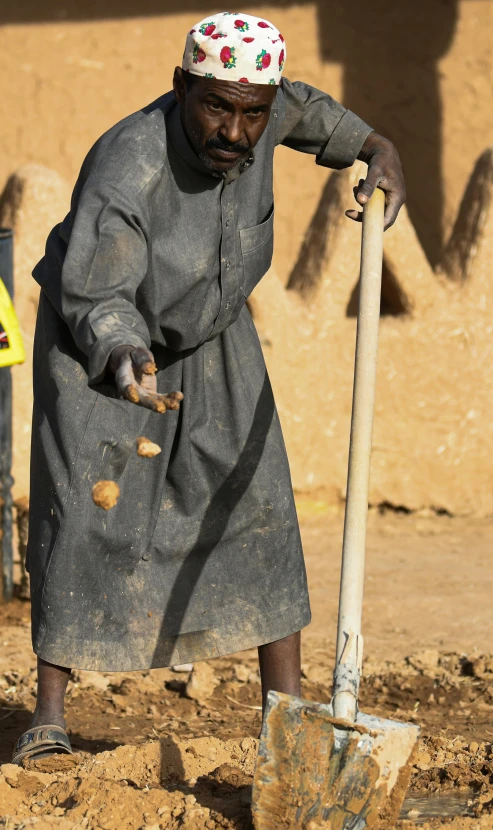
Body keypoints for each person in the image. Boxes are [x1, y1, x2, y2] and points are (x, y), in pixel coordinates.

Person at [13, 11, 405, 763]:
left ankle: (286, 719)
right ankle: (49, 715)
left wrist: (375, 147)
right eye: (215, 106)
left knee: (256, 495)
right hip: (106, 342)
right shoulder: (129, 161)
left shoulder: (265, 110)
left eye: (250, 113)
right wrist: (124, 354)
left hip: (214, 329)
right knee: (86, 509)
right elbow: (98, 292)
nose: (234, 131)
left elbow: (308, 111)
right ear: (181, 86)